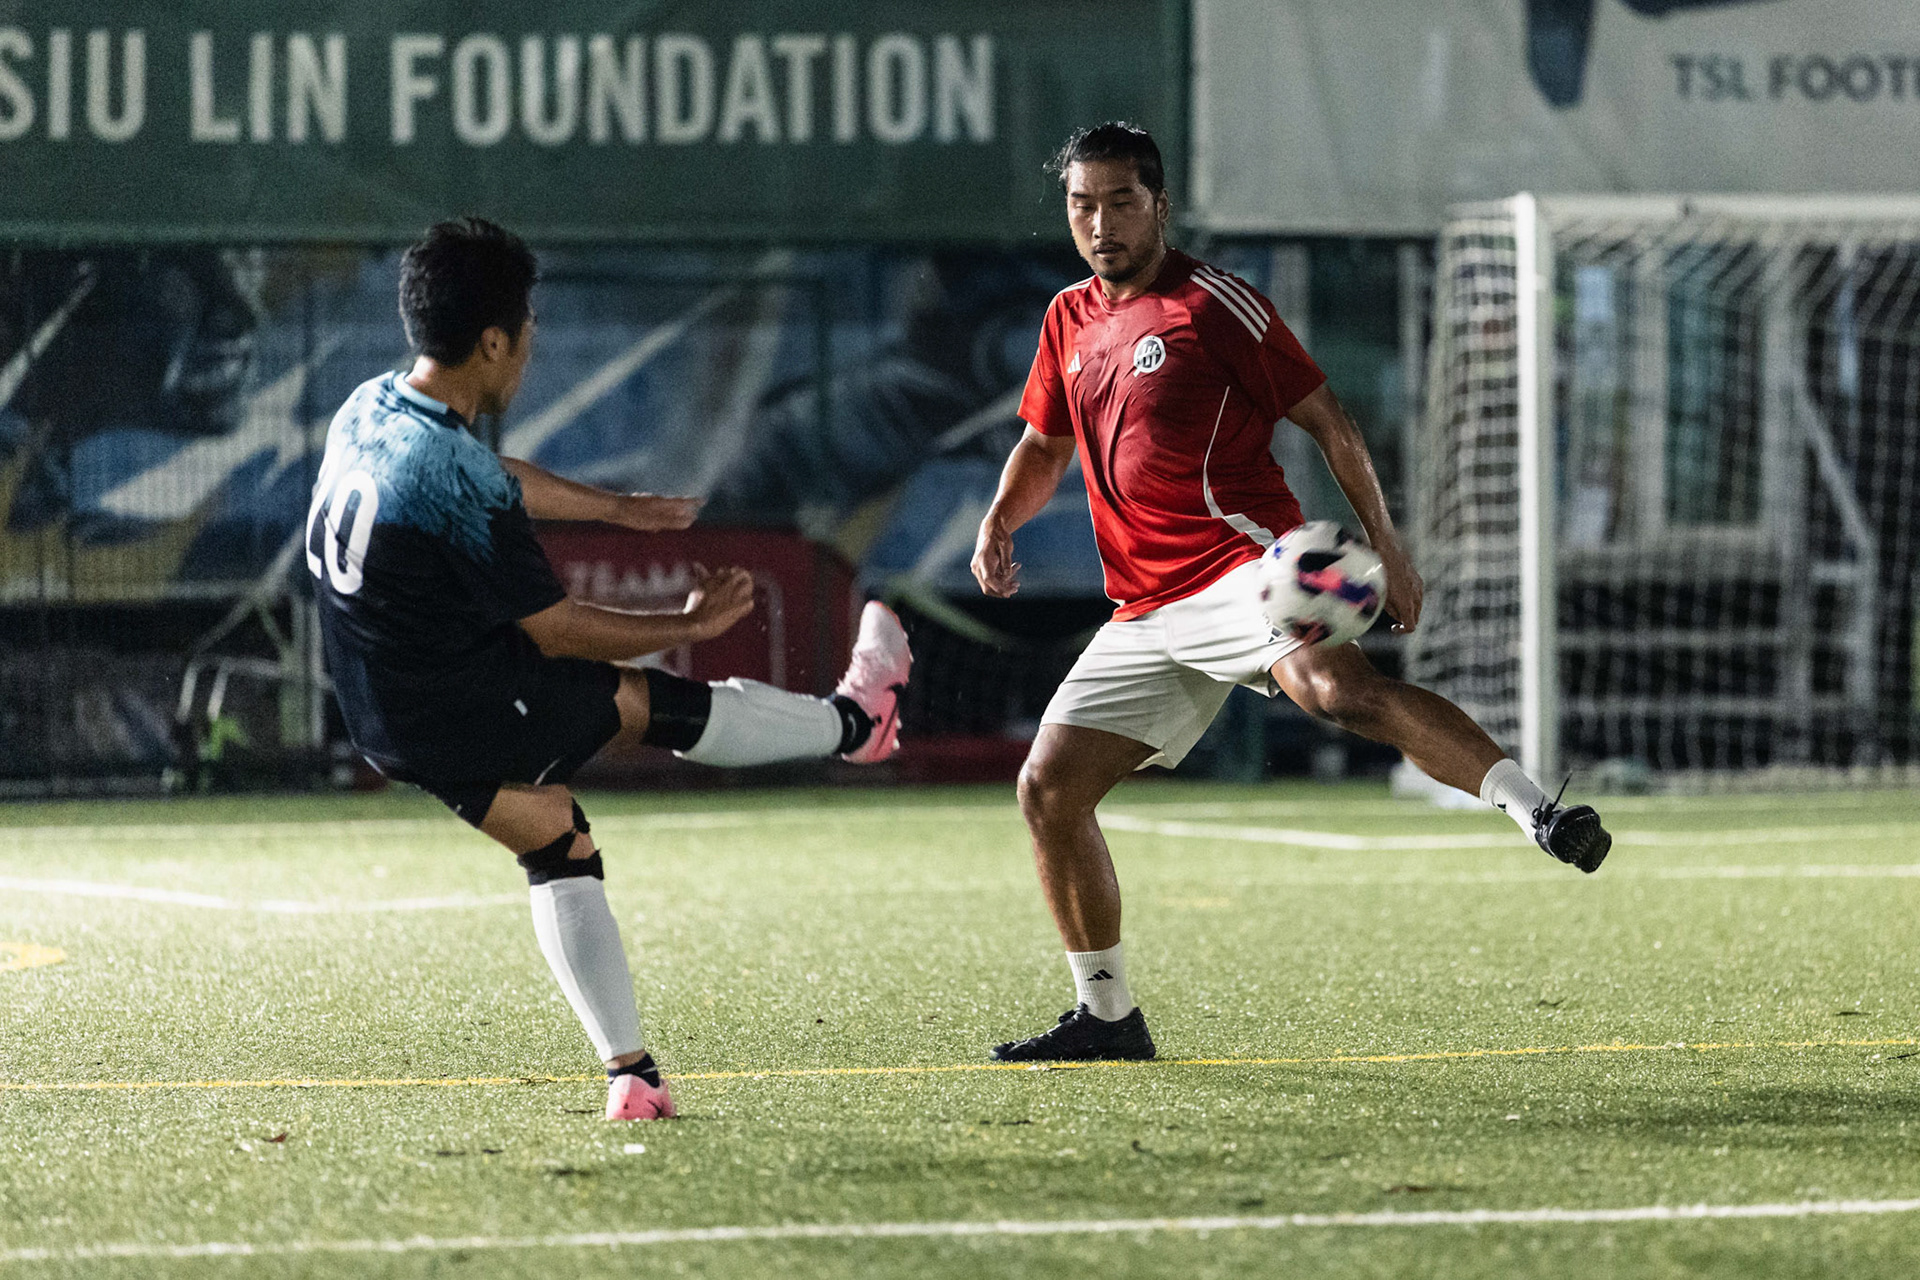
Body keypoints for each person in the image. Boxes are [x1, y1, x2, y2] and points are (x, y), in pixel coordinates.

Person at [970, 124, 1609, 1063]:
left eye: (1118, 201)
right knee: (1048, 789)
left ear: (1159, 205)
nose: (1099, 222)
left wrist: (1389, 548)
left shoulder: (1212, 304)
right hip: (1145, 607)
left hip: (1243, 565)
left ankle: (1535, 810)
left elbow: (1330, 421)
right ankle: (1109, 1018)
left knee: (1336, 691)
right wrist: (998, 519)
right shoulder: (1067, 317)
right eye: (1081, 204)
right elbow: (1045, 443)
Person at [306, 217, 911, 1118]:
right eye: (527, 325)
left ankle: (633, 1077)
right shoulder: (449, 474)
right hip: (454, 701)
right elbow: (553, 630)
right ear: (494, 341)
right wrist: (686, 619)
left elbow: (493, 473)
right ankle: (858, 724)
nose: (533, 342)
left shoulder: (372, 405)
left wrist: (620, 513)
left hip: (381, 706)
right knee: (638, 700)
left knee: (559, 840)